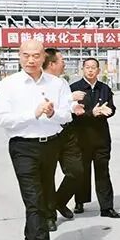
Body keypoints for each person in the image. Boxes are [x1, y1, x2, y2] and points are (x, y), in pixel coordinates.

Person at [0, 40, 72, 240]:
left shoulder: (57, 84)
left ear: (43, 58)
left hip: (50, 145)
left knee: (44, 196)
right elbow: (2, 119)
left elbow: (67, 116)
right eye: (26, 55)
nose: (31, 60)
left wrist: (53, 112)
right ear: (19, 56)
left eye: (36, 55)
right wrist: (33, 113)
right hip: (23, 147)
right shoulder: (9, 84)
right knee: (34, 200)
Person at [57, 57, 120, 218]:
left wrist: (108, 112)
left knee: (103, 172)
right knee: (82, 172)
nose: (90, 70)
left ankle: (106, 207)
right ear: (83, 69)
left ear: (98, 70)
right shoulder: (75, 89)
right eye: (87, 67)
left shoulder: (104, 88)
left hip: (101, 138)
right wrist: (91, 113)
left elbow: (111, 107)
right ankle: (80, 202)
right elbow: (70, 113)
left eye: (94, 67)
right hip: (81, 137)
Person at [43, 48, 85, 228]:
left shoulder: (62, 82)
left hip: (67, 132)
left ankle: (59, 201)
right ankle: (49, 216)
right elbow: (51, 106)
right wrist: (70, 98)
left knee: (77, 171)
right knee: (48, 177)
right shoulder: (40, 83)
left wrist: (74, 106)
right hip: (49, 133)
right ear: (52, 63)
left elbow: (67, 104)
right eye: (61, 60)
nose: (64, 63)